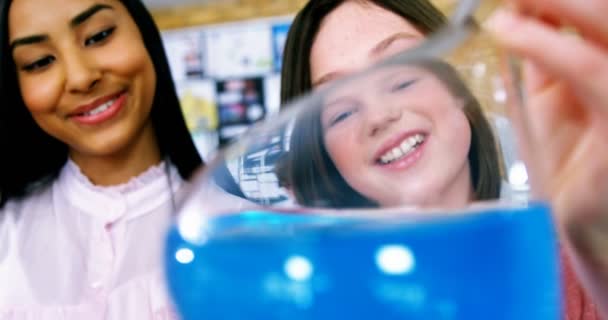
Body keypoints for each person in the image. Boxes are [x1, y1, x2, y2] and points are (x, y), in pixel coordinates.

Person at [278, 0, 605, 318]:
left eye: (403, 75)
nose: (379, 115)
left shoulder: (580, 268)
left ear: (457, 83)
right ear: (323, 156)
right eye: (342, 112)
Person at [0, 0, 202, 317]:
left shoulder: (237, 225)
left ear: (143, 34)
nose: (81, 78)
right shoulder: (7, 237)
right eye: (39, 62)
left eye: (98, 35)